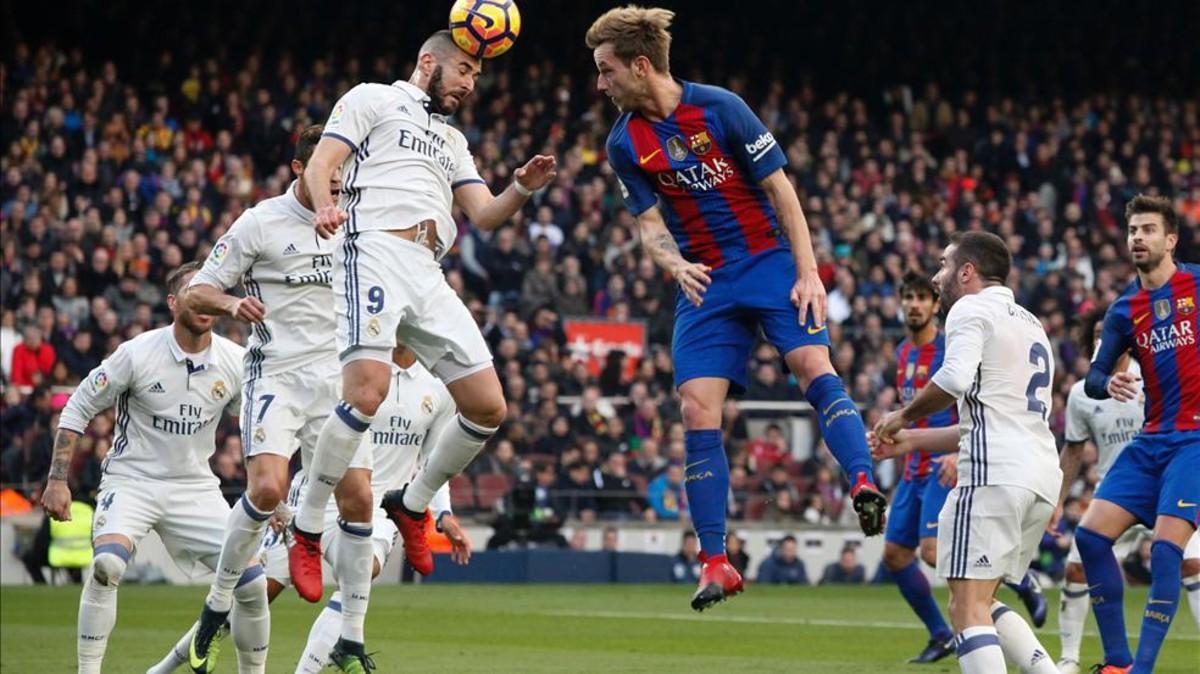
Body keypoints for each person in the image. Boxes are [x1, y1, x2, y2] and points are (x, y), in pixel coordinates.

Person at [585, 5, 886, 613]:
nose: (601, 84)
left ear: (641, 66)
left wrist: (809, 273)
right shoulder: (623, 143)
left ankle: (861, 480)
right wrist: (673, 265)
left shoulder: (720, 108)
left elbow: (782, 191)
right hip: (705, 283)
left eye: (607, 70)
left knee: (811, 365)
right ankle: (716, 561)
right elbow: (650, 227)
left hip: (769, 263)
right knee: (696, 408)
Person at [288, 35, 557, 670]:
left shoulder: (454, 141)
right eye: (464, 69)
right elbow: (320, 162)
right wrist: (326, 204)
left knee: (489, 407)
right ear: (429, 61)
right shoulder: (373, 100)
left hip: (428, 269)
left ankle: (412, 505)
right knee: (367, 393)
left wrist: (520, 187)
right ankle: (304, 524)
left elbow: (485, 216)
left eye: (477, 77)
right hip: (373, 248)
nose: (469, 83)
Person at [152, 345, 472, 674]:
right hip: (314, 500)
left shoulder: (437, 388)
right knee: (253, 593)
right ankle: (164, 668)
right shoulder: (355, 370)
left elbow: (434, 463)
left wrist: (443, 513)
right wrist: (272, 497)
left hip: (377, 510)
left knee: (362, 572)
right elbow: (294, 434)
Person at [182, 125, 356, 672]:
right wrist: (233, 305)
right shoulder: (260, 221)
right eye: (326, 172)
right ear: (298, 169)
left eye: (341, 173)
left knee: (357, 499)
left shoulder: (354, 218)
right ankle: (215, 608)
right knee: (266, 487)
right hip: (276, 373)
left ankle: (349, 633)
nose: (335, 182)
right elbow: (196, 291)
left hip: (336, 377)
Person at [40, 263, 269, 674]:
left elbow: (260, 430)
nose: (203, 301)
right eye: (192, 292)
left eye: (210, 292)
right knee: (107, 566)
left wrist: (275, 496)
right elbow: (77, 406)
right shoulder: (137, 353)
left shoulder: (236, 362)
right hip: (133, 481)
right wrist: (57, 479)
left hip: (196, 487)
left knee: (253, 586)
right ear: (172, 302)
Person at [875, 232, 1059, 674]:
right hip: (1039, 477)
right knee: (982, 598)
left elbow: (954, 380)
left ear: (967, 271)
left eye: (942, 265)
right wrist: (915, 440)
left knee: (967, 607)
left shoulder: (970, 308)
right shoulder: (1032, 323)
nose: (938, 277)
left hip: (992, 475)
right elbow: (992, 415)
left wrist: (902, 417)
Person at [1073, 195, 1199, 674]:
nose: (1138, 238)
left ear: (1170, 239)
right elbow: (1092, 377)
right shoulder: (1126, 309)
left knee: (1166, 550)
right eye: (1132, 231)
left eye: (1148, 230)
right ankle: (1117, 663)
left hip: (1195, 441)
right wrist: (1109, 381)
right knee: (1089, 539)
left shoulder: (1198, 284)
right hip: (1151, 443)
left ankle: (1141, 670)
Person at [1052, 306, 1145, 673]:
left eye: (1110, 333)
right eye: (1096, 335)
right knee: (1076, 571)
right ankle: (1069, 659)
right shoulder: (1081, 394)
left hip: (1160, 487)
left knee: (1193, 563)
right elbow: (1073, 449)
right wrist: (1058, 501)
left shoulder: (1150, 377)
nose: (1102, 340)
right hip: (1113, 493)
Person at [877, 272, 959, 663]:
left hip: (944, 464)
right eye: (908, 296)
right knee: (894, 554)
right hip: (912, 467)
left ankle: (1013, 581)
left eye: (922, 298)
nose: (914, 304)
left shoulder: (951, 350)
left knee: (931, 551)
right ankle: (941, 634)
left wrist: (961, 454)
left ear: (935, 304)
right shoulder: (902, 353)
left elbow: (968, 406)